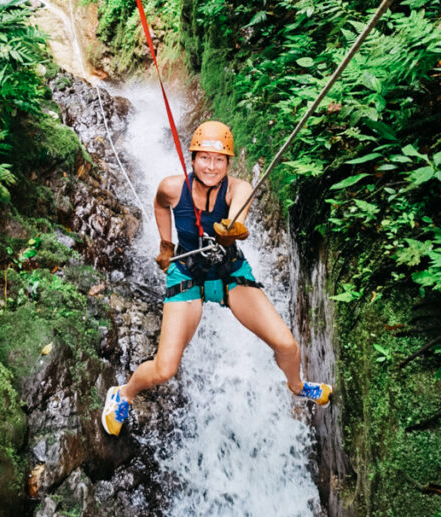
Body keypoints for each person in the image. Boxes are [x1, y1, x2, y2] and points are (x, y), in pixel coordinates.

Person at [102, 121, 332, 435]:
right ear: (193, 159)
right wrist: (166, 244)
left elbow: (240, 207)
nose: (212, 166)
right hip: (187, 273)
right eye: (205, 158)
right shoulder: (172, 188)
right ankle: (123, 393)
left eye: (220, 159)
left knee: (288, 346)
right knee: (165, 368)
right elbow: (159, 205)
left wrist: (231, 228)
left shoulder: (238, 188)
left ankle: (297, 385)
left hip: (229, 272)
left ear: (227, 163)